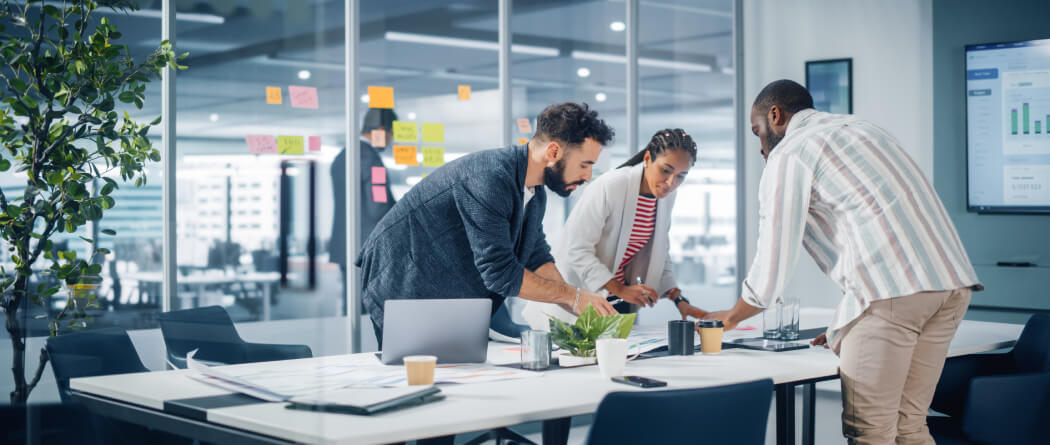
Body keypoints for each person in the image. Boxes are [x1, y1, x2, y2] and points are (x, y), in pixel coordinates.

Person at [706, 79, 981, 445]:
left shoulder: (791, 153)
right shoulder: (865, 130)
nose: (760, 146)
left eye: (757, 131)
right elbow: (878, 228)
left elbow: (773, 257)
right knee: (909, 426)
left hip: (894, 293)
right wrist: (851, 323)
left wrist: (733, 316)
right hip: (950, 285)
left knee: (872, 433)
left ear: (776, 115)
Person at [355, 102, 618, 347]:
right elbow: (501, 273)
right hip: (402, 274)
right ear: (553, 152)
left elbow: (537, 257)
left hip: (445, 282)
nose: (587, 176)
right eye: (585, 165)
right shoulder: (489, 177)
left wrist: (578, 304)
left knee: (457, 368)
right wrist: (571, 295)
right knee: (418, 371)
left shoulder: (534, 193)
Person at [523, 128, 710, 329]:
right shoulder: (612, 185)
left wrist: (678, 299)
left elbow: (660, 250)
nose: (671, 183)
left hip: (614, 302)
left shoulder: (665, 197)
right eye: (666, 170)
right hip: (575, 299)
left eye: (681, 176)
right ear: (648, 158)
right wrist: (620, 289)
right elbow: (577, 249)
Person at [329, 109, 397, 276]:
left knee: (350, 300)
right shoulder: (373, 161)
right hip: (368, 249)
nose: (391, 140)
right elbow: (378, 205)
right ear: (381, 131)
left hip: (345, 246)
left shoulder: (342, 156)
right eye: (391, 134)